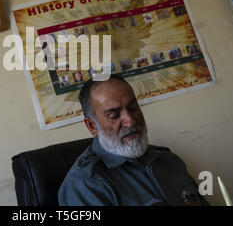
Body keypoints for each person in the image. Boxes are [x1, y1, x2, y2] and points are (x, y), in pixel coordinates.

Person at [58, 74, 209, 206]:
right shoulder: (85, 185)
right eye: (114, 115)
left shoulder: (169, 160)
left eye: (133, 108)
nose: (130, 121)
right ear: (92, 125)